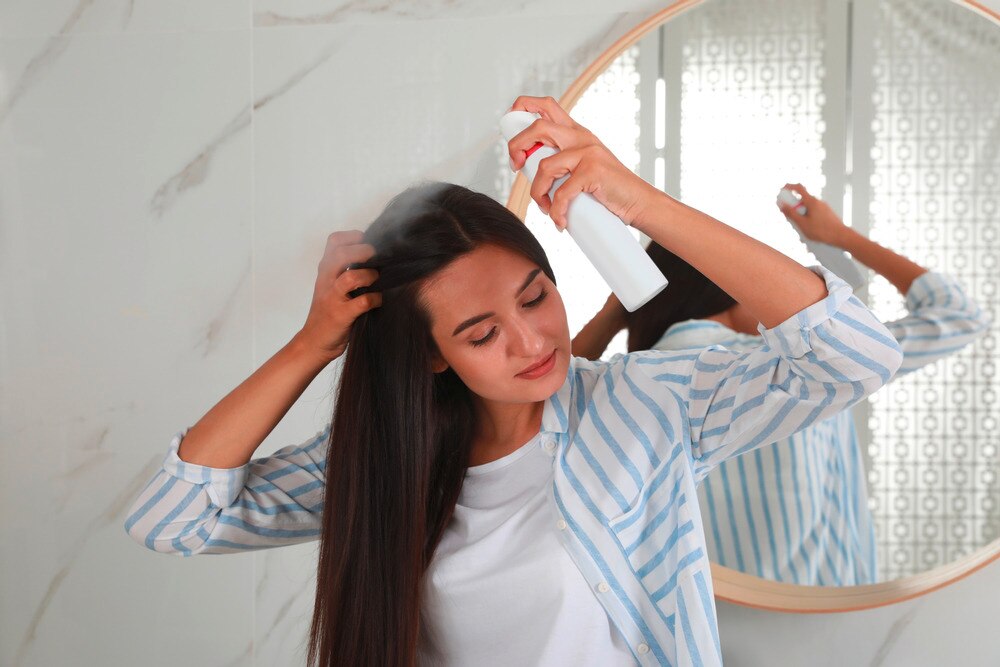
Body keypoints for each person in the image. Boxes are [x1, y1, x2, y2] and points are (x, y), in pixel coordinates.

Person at [124, 97, 903, 667]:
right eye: (480, 332)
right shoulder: (384, 459)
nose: (532, 340)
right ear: (432, 355)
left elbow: (856, 354)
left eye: (536, 295)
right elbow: (174, 515)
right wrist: (313, 342)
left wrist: (635, 199)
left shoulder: (639, 407)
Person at [573, 184, 991, 586]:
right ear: (730, 284)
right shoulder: (818, 357)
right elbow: (958, 316)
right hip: (837, 626)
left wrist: (619, 307)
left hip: (725, 633)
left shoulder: (632, 383)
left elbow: (551, 404)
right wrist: (838, 236)